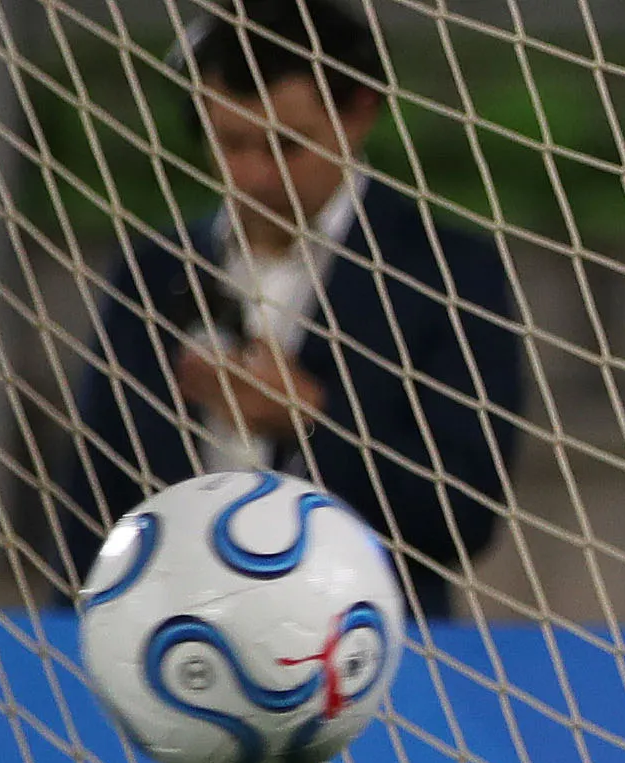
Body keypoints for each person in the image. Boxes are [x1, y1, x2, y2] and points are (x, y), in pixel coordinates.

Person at [53, 0, 523, 619]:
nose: (254, 175)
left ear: (359, 114)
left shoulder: (448, 272)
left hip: (365, 652)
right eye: (231, 142)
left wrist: (311, 419)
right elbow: (92, 497)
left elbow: (464, 516)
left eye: (286, 145)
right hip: (169, 645)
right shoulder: (153, 270)